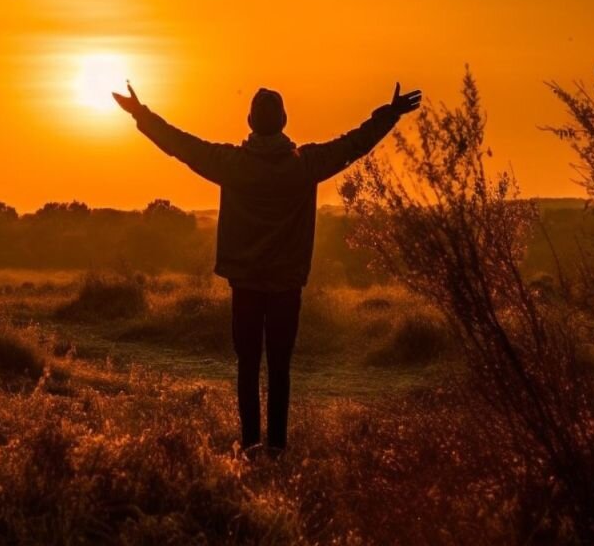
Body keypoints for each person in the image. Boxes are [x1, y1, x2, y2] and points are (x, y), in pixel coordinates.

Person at [113, 81, 422, 455]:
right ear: (284, 121)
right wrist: (388, 115)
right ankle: (277, 447)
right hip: (286, 285)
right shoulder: (305, 165)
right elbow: (353, 145)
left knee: (247, 366)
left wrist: (140, 114)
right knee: (279, 368)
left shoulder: (232, 165)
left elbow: (181, 145)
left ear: (249, 121)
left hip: (245, 283)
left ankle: (249, 445)